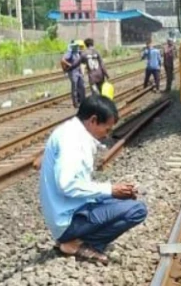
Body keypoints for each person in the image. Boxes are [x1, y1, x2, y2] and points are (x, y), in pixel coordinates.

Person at [39, 94, 147, 265]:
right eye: (107, 129)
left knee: (122, 202)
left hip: (71, 211)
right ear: (93, 120)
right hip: (68, 220)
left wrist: (113, 194)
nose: (106, 135)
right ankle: (79, 244)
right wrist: (110, 190)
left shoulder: (71, 131)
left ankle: (76, 239)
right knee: (137, 210)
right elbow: (66, 185)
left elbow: (78, 186)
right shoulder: (72, 141)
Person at [61, 40, 85, 108]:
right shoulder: (70, 53)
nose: (77, 47)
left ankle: (82, 101)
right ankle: (75, 103)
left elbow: (80, 62)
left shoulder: (77, 53)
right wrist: (69, 64)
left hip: (78, 72)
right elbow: (62, 60)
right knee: (74, 87)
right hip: (73, 72)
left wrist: (82, 71)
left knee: (81, 86)